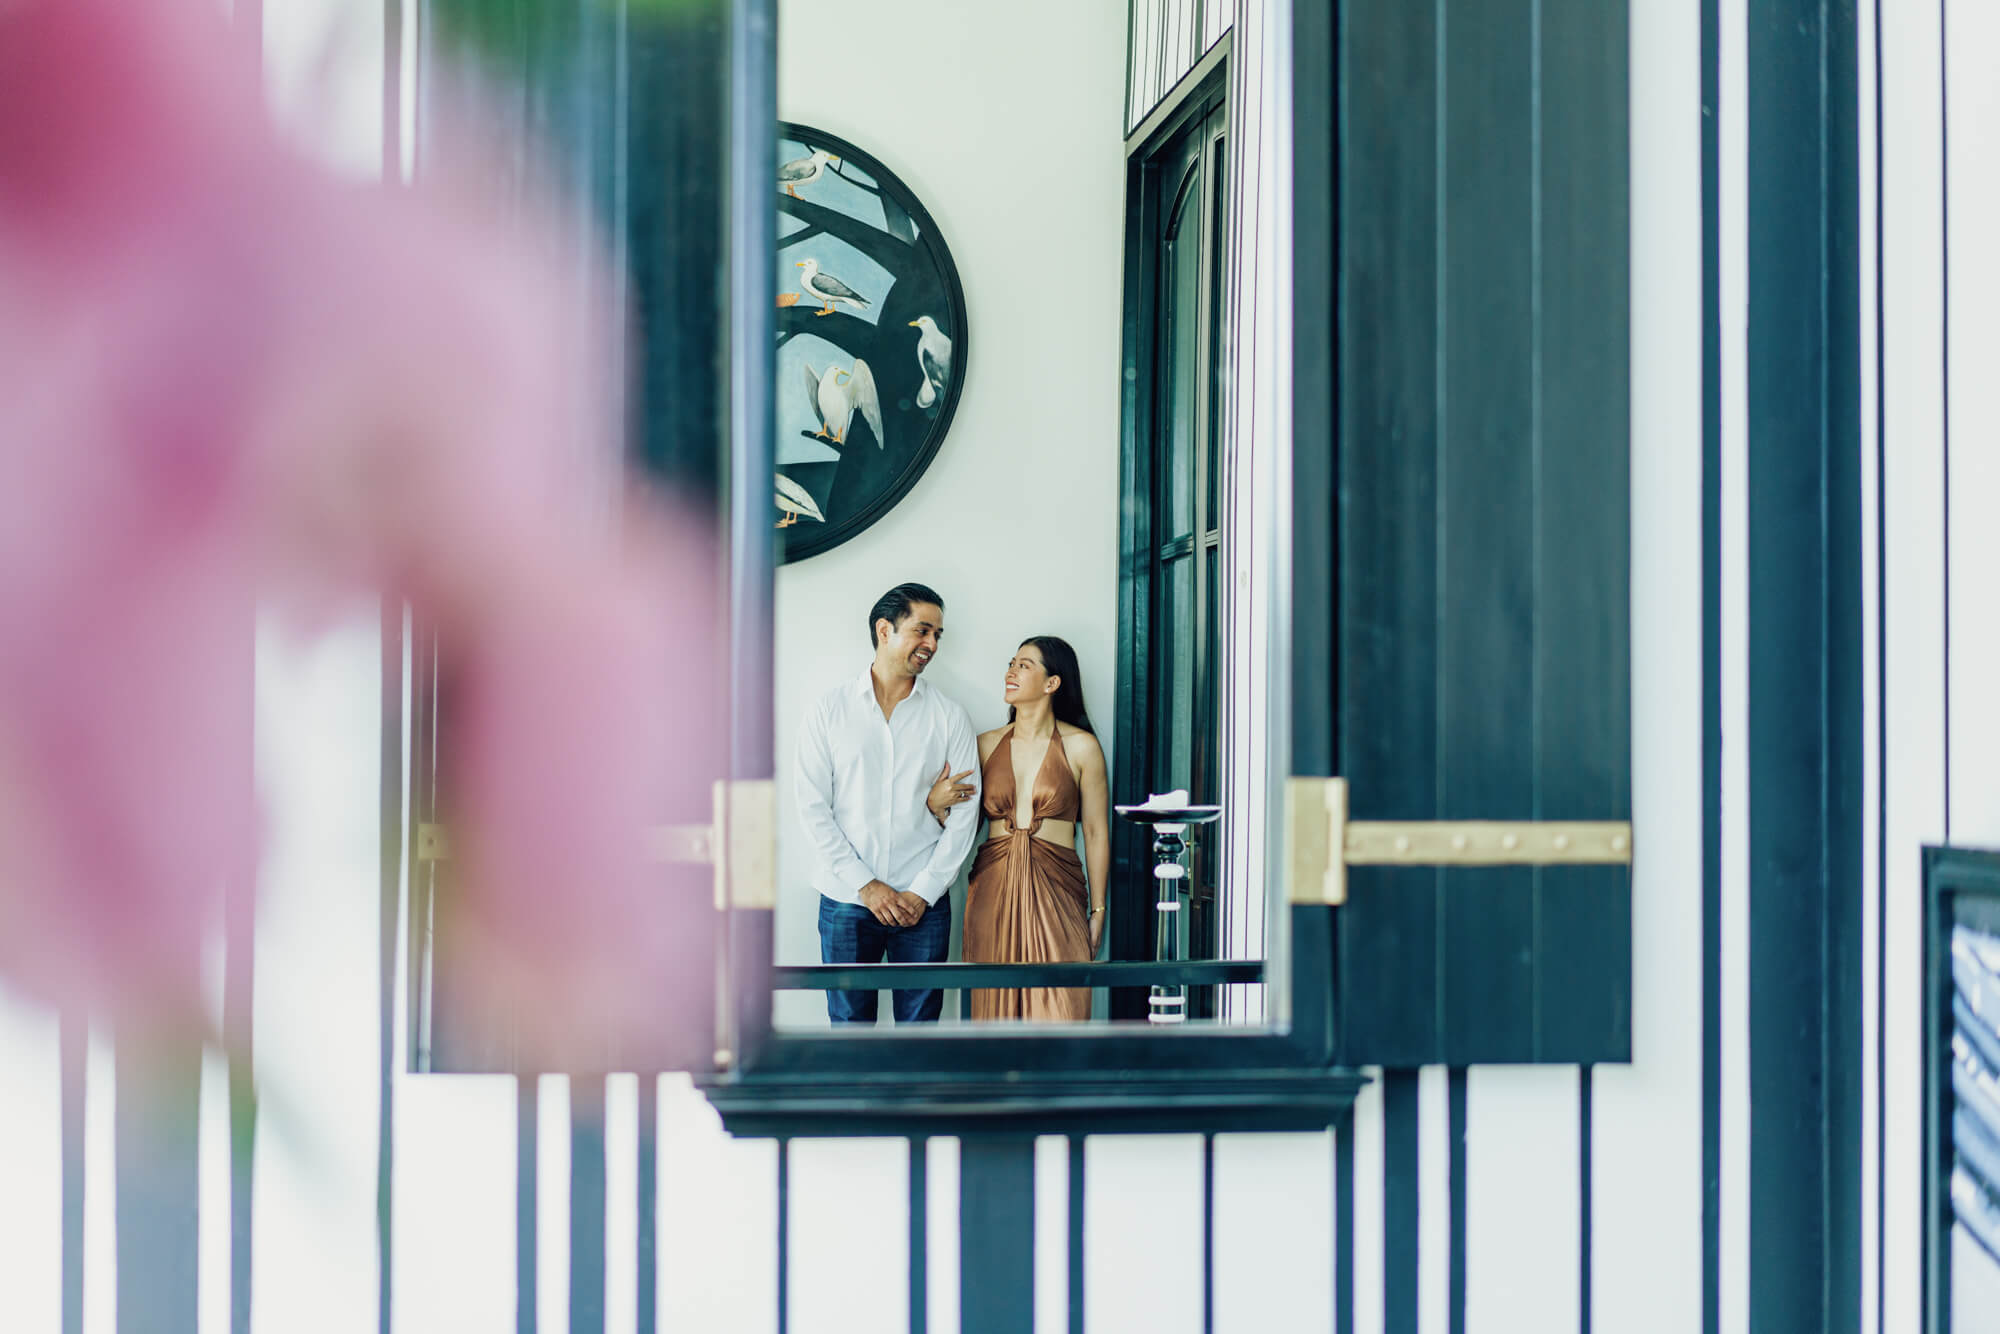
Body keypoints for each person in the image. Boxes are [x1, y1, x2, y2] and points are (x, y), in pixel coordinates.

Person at [795, 582, 979, 1024]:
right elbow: (812, 807)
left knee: (919, 1034)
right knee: (849, 1029)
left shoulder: (949, 716)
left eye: (937, 634)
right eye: (923, 630)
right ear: (884, 630)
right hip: (846, 899)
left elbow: (966, 816)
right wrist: (867, 885)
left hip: (925, 904)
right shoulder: (830, 710)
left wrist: (923, 891)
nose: (932, 644)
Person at [931, 635, 1109, 1021]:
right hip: (992, 889)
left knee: (1063, 1005)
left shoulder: (1082, 747)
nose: (1010, 671)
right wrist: (935, 802)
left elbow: (1095, 832)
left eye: (1024, 665)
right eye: (1011, 663)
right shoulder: (983, 745)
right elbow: (958, 826)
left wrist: (1098, 909)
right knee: (992, 1004)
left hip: (1058, 888)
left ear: (1052, 683)